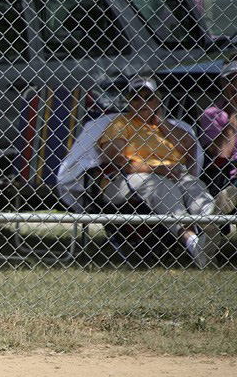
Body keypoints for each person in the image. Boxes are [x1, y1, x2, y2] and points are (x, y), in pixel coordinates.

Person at [97, 76, 237, 268]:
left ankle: (209, 216)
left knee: (194, 185)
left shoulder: (163, 126)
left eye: (149, 97)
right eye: (137, 97)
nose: (143, 102)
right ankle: (195, 244)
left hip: (173, 174)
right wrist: (158, 168)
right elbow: (116, 158)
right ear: (128, 101)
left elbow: (189, 146)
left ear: (158, 100)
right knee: (163, 190)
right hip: (130, 178)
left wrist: (161, 123)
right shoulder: (121, 123)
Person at [199, 60, 237, 197]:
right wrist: (233, 114)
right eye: (231, 80)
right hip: (230, 177)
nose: (236, 85)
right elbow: (222, 153)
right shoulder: (213, 114)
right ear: (223, 84)